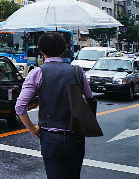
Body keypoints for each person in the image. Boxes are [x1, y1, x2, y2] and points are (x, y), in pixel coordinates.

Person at [15, 32, 92, 179]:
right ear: (63, 50)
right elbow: (89, 98)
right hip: (75, 135)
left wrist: (33, 129)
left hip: (50, 136)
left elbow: (20, 107)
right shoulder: (77, 71)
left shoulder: (37, 73)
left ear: (41, 51)